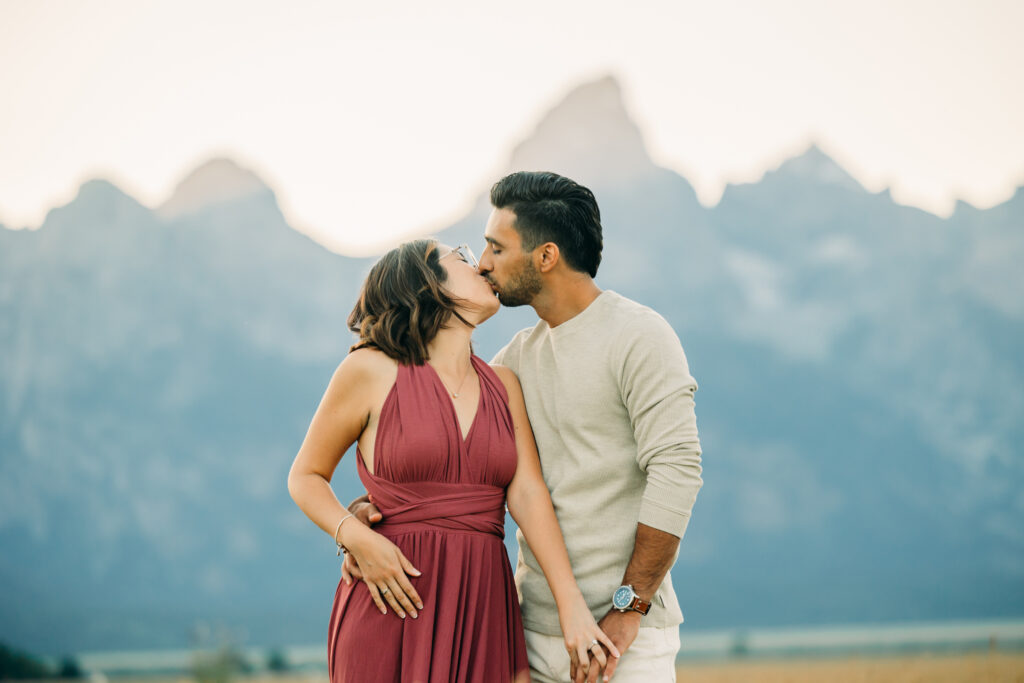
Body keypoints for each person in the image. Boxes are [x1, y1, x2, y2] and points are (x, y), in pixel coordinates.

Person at [347, 171, 703, 683]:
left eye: (495, 246)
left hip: (628, 640)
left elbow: (678, 471)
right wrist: (371, 519)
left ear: (545, 257)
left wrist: (630, 608)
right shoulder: (509, 364)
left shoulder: (639, 335)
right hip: (527, 637)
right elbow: (469, 473)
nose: (483, 263)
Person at [287, 238, 618, 683]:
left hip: (483, 606)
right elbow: (306, 476)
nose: (481, 266)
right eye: (461, 257)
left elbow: (528, 494)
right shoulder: (368, 370)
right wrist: (357, 539)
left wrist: (571, 606)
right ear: (425, 284)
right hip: (393, 599)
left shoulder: (504, 385)